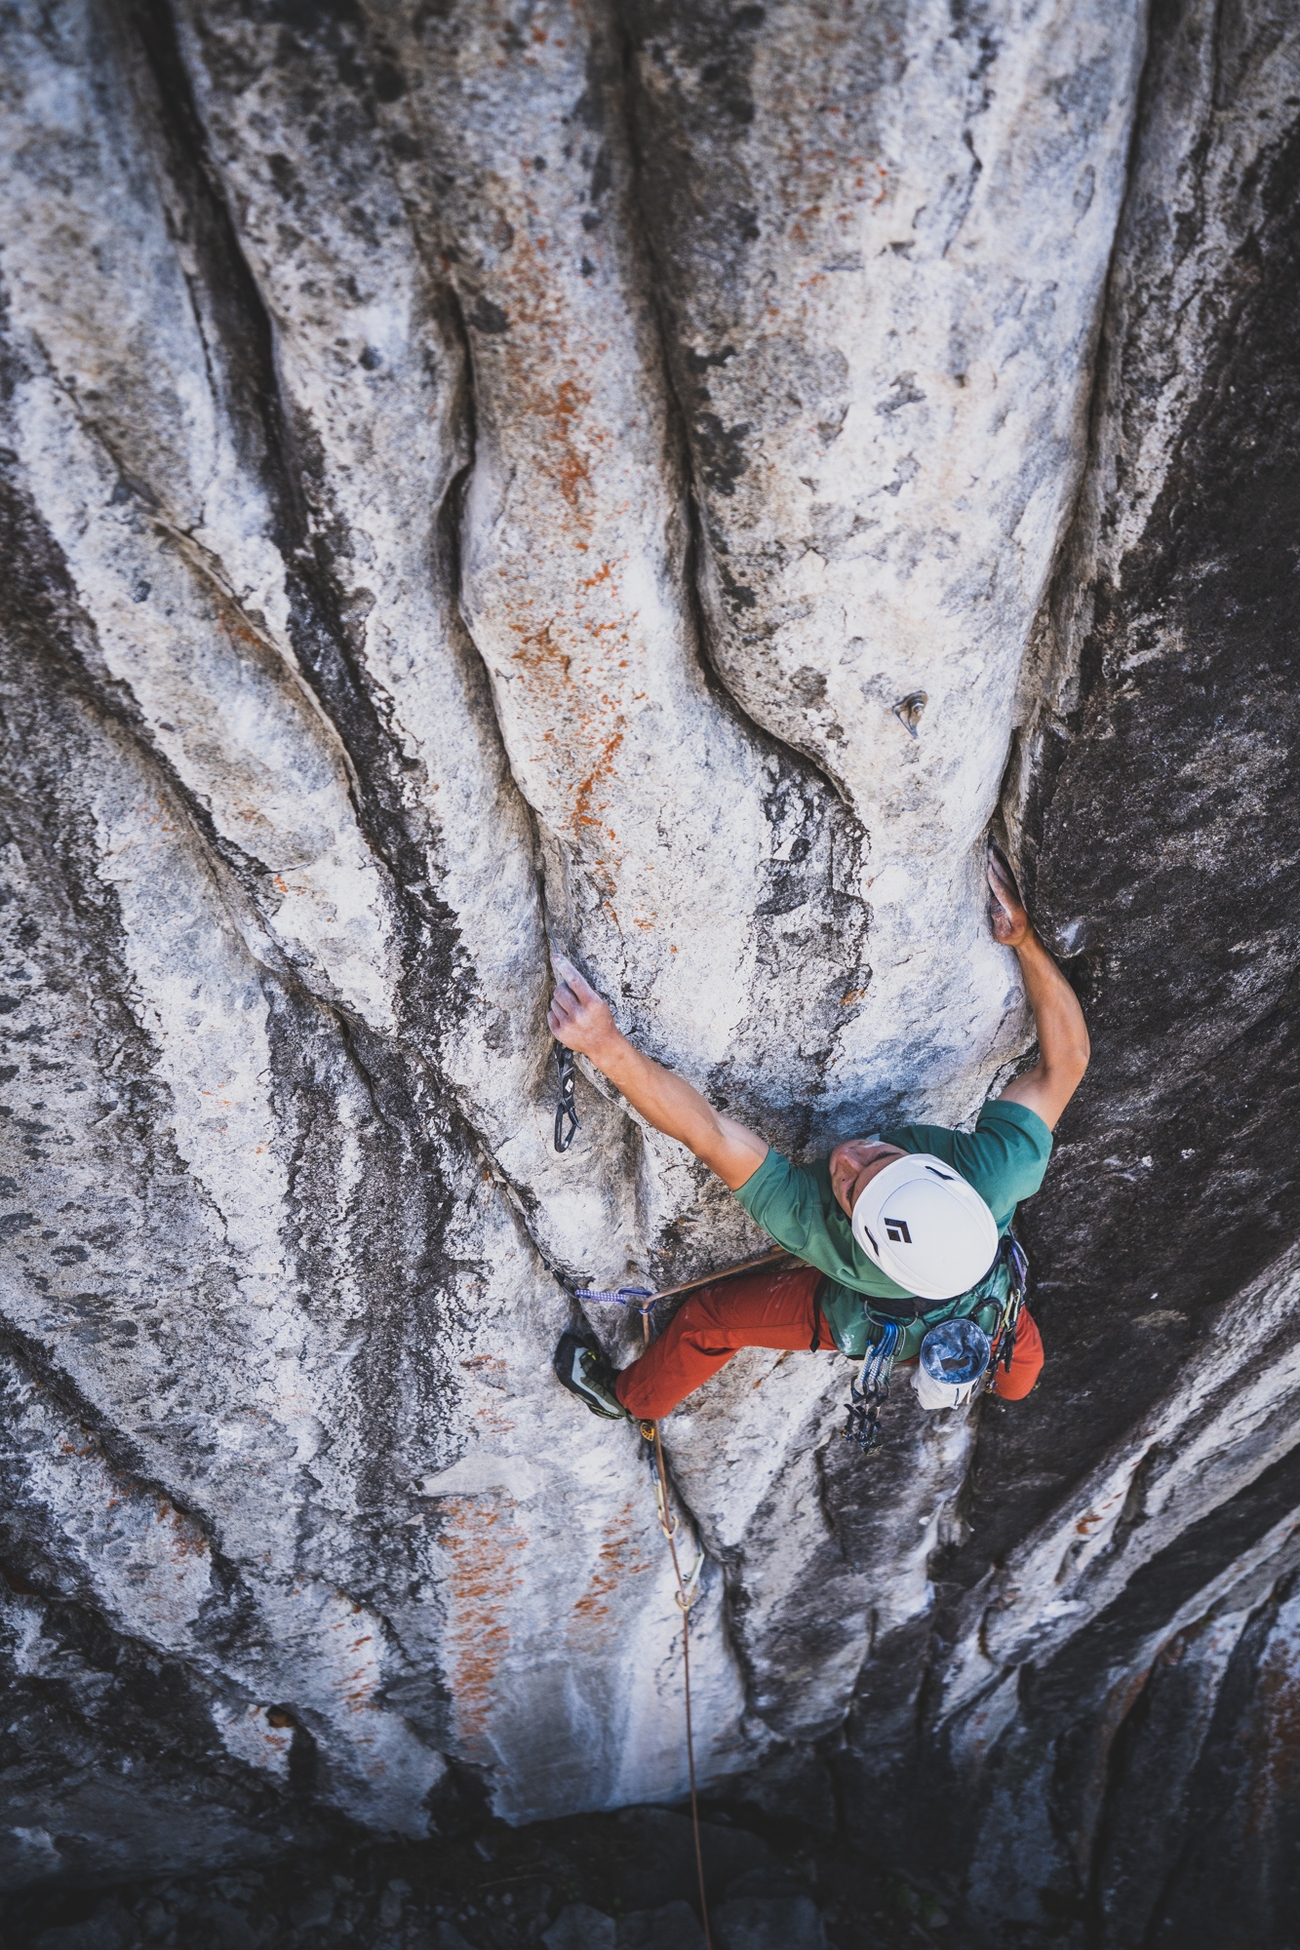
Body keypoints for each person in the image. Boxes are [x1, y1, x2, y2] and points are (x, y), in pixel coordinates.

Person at [551, 851, 1089, 1424]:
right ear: (947, 1180)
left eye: (852, 1190)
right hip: (991, 1305)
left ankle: (630, 1399)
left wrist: (606, 1047)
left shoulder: (823, 1233)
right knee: (1020, 1376)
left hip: (872, 1318)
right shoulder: (997, 1173)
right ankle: (983, 1385)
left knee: (709, 1320)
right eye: (882, 1159)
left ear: (858, 1236)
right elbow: (1068, 1064)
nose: (848, 1156)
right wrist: (1024, 941)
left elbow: (707, 1133)